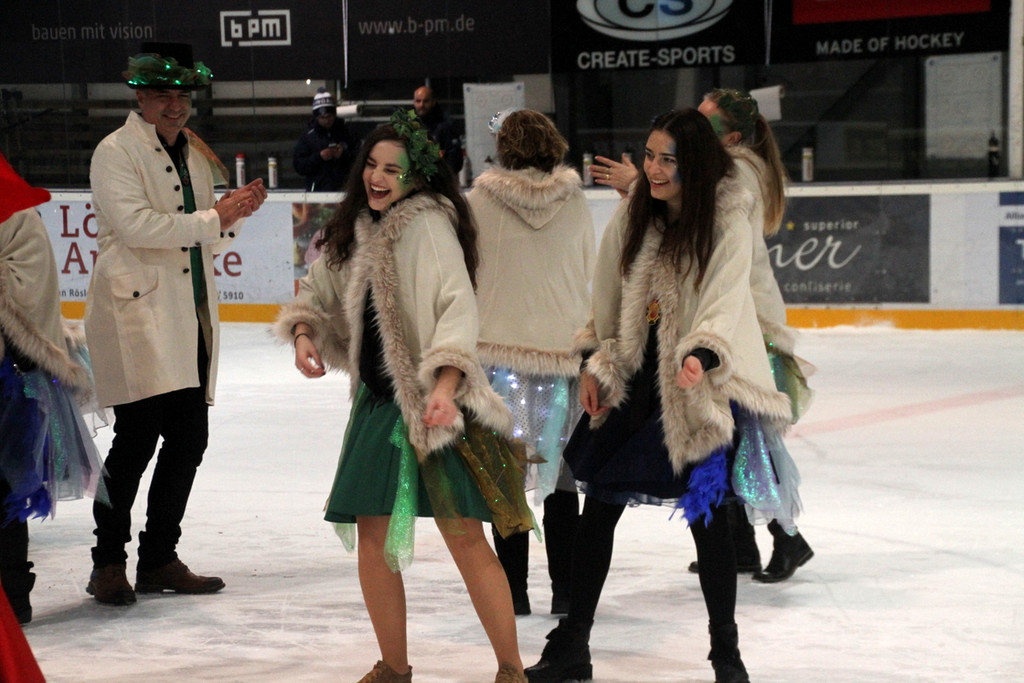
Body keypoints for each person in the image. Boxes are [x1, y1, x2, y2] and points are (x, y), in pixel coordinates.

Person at [525, 110, 801, 683]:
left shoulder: (725, 218)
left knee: (708, 519)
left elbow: (726, 297)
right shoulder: (635, 212)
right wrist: (595, 362)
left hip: (698, 389)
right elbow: (605, 293)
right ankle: (574, 643)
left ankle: (726, 653)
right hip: (634, 382)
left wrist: (701, 353)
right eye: (649, 155)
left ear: (693, 164)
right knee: (598, 512)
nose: (653, 168)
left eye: (667, 159)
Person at [273, 109, 531, 683]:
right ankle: (393, 666)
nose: (377, 177)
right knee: (373, 534)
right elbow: (316, 289)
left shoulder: (429, 226)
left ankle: (511, 670)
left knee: (463, 535)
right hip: (378, 405)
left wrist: (445, 386)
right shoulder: (356, 227)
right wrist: (303, 331)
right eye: (372, 165)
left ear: (417, 177)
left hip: (435, 402)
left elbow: (457, 310)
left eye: (393, 169)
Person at [591, 88, 816, 581]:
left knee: (748, 444)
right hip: (724, 323)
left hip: (740, 325)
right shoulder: (717, 169)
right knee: (732, 443)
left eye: (707, 125)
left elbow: (722, 255)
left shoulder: (735, 177)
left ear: (730, 139)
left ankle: (787, 537)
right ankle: (742, 545)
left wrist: (639, 183)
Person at [84, 42, 268, 607]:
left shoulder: (195, 155)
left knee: (189, 440)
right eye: (163, 94)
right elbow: (138, 227)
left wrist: (233, 216)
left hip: (189, 319)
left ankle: (159, 557)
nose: (175, 105)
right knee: (135, 443)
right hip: (136, 318)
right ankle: (107, 563)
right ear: (139, 96)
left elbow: (203, 238)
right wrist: (216, 217)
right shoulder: (115, 151)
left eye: (182, 94)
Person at [467, 109, 595, 617]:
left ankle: (513, 592)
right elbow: (588, 268)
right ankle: (565, 590)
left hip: (501, 360)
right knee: (560, 481)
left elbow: (467, 273)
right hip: (561, 359)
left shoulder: (478, 202)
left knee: (508, 479)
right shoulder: (575, 200)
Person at [0, 152, 108, 625]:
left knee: (6, 488)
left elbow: (27, 286)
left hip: (14, 377)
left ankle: (11, 595)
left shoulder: (17, 215)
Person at [293, 87, 359, 192]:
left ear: (334, 115)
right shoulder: (308, 137)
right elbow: (299, 165)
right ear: (316, 117)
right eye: (322, 117)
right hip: (317, 192)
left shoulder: (347, 133)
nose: (327, 120)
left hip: (344, 190)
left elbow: (360, 160)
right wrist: (319, 157)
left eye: (329, 116)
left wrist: (343, 155)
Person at [413, 85, 463, 175]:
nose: (421, 105)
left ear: (433, 102)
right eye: (418, 101)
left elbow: (455, 160)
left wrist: (443, 177)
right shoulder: (410, 127)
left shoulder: (445, 127)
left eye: (426, 101)